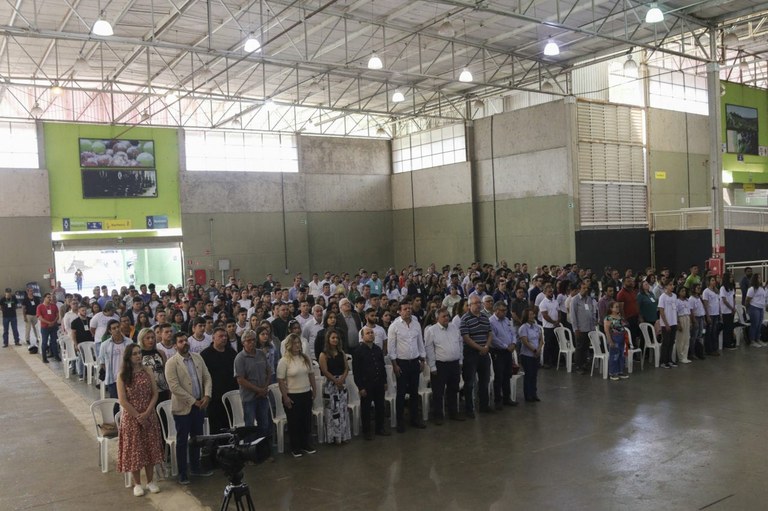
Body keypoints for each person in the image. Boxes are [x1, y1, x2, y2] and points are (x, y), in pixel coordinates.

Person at [164, 331, 214, 484]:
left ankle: (195, 467)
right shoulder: (171, 363)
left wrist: (207, 395)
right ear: (175, 346)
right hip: (183, 408)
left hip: (200, 405)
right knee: (182, 441)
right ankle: (182, 473)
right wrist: (193, 401)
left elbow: (207, 377)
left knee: (197, 439)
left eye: (186, 340)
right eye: (180, 341)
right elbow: (174, 387)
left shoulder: (197, 357)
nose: (185, 343)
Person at [116, 344, 164, 497]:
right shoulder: (123, 375)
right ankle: (137, 483)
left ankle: (150, 481)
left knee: (150, 448)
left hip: (149, 415)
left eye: (139, 353)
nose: (138, 356)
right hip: (131, 418)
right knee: (134, 450)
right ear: (128, 357)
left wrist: (147, 412)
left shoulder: (147, 370)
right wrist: (138, 416)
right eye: (135, 354)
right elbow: (123, 400)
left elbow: (155, 394)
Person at [388, 301, 427, 432]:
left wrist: (422, 360)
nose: (408, 310)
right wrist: (395, 365)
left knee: (414, 392)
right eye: (405, 309)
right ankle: (400, 422)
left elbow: (420, 343)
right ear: (399, 311)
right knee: (401, 393)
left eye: (409, 308)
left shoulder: (416, 324)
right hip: (402, 363)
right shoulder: (394, 326)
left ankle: (414, 418)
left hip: (414, 362)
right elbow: (391, 348)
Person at [276, 335, 317, 458]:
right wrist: (285, 397)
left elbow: (311, 374)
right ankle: (295, 447)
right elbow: (280, 380)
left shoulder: (305, 358)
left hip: (306, 393)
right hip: (292, 395)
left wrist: (314, 389)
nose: (297, 345)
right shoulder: (284, 361)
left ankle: (306, 444)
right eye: (294, 343)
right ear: (289, 345)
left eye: (298, 343)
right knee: (294, 422)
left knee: (306, 420)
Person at [235, 328, 273, 454]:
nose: (251, 342)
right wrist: (258, 390)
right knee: (249, 426)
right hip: (249, 397)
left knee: (264, 424)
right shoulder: (240, 358)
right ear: (243, 343)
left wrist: (265, 388)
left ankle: (263, 451)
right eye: (248, 340)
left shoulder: (261, 354)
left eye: (253, 340)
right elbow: (241, 380)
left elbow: (269, 371)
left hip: (263, 395)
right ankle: (249, 453)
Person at [425, 307, 463, 424]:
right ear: (437, 318)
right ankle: (438, 415)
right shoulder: (431, 330)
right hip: (440, 365)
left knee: (453, 389)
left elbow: (460, 343)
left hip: (454, 363)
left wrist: (460, 360)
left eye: (447, 315)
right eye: (444, 316)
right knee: (438, 392)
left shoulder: (454, 327)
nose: (447, 318)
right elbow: (429, 349)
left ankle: (453, 413)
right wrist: (432, 366)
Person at [353, 326, 390, 439]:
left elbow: (382, 366)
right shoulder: (358, 351)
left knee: (380, 406)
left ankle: (380, 428)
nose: (370, 335)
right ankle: (367, 431)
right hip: (366, 384)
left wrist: (384, 381)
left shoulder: (377, 349)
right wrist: (360, 387)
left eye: (372, 333)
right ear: (362, 336)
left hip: (379, 382)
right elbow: (356, 371)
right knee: (366, 408)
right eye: (368, 333)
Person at [460, 295, 494, 417]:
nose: (478, 305)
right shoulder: (465, 319)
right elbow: (466, 338)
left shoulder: (485, 317)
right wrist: (480, 348)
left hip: (484, 353)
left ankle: (484, 405)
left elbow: (490, 333)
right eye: (475, 303)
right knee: (469, 383)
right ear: (469, 306)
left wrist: (487, 346)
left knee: (484, 381)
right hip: (471, 354)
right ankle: (469, 409)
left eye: (479, 302)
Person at [200, 327, 239, 434]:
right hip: (214, 397)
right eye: (221, 336)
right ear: (213, 338)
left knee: (230, 424)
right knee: (216, 427)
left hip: (230, 395)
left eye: (225, 336)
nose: (224, 338)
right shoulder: (205, 355)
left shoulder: (231, 353)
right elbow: (203, 377)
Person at [318, 330, 352, 444]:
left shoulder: (341, 352)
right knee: (332, 411)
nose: (335, 340)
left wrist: (342, 379)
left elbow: (346, 368)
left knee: (342, 409)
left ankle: (342, 435)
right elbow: (324, 371)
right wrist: (335, 381)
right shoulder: (323, 354)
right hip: (330, 385)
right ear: (328, 339)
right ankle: (333, 437)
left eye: (337, 338)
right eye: (333, 338)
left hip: (342, 383)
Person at [489, 301, 517, 409]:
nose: (504, 312)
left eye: (505, 310)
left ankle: (507, 398)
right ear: (496, 310)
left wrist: (513, 343)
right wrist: (506, 346)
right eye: (502, 310)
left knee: (507, 374)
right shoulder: (491, 322)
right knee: (499, 376)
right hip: (498, 351)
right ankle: (498, 400)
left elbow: (513, 333)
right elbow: (493, 338)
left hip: (508, 351)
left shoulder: (506, 320)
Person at [99, 320, 134, 397]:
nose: (117, 329)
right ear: (110, 331)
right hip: (112, 380)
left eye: (118, 327)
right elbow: (102, 362)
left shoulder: (129, 342)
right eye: (114, 328)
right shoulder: (105, 345)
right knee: (115, 401)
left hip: (127, 378)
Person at [570, 281, 596, 374]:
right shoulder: (575, 300)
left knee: (586, 347)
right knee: (579, 348)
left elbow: (591, 312)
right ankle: (578, 366)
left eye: (586, 288)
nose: (586, 290)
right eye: (583, 288)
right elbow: (573, 315)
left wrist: (593, 327)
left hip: (589, 328)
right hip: (580, 328)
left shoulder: (589, 299)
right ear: (579, 289)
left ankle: (584, 364)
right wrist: (575, 328)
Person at [137, 328, 170, 402]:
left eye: (152, 337)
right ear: (142, 340)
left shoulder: (161, 353)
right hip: (147, 391)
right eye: (148, 338)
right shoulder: (139, 355)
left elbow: (166, 371)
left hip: (162, 389)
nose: (151, 340)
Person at [517, 309, 541, 402]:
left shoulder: (536, 327)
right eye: (530, 314)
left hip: (536, 354)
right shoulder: (523, 328)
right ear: (526, 316)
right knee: (529, 374)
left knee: (534, 375)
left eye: (533, 314)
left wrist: (538, 349)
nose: (533, 316)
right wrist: (534, 350)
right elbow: (525, 341)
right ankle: (528, 394)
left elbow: (541, 339)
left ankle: (534, 393)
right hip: (527, 354)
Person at [603, 301, 629, 380]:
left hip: (622, 337)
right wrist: (610, 341)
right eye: (616, 307)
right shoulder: (608, 318)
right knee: (614, 355)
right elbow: (607, 331)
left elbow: (624, 324)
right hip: (614, 338)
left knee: (621, 355)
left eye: (618, 307)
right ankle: (613, 373)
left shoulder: (619, 316)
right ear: (611, 308)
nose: (618, 308)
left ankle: (620, 371)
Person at [657, 280, 679, 369]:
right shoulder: (662, 297)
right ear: (666, 286)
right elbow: (661, 311)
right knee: (665, 343)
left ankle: (669, 360)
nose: (672, 286)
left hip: (673, 322)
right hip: (666, 324)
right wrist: (666, 324)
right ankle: (663, 361)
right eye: (670, 285)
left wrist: (677, 321)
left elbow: (676, 310)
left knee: (671, 342)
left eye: (673, 285)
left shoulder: (674, 296)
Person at [36, 293, 60, 363]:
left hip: (53, 327)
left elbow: (57, 315)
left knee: (54, 341)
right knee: (44, 342)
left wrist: (53, 322)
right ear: (44, 298)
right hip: (45, 327)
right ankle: (44, 358)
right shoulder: (40, 306)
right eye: (48, 297)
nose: (50, 299)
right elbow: (39, 317)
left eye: (50, 297)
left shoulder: (54, 306)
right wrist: (48, 322)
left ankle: (56, 356)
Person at [745, 274, 767, 347]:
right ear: (755, 279)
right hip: (754, 308)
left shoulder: (761, 288)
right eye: (758, 278)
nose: (760, 279)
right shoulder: (752, 289)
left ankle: (757, 339)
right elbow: (747, 300)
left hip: (761, 308)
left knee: (759, 325)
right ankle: (752, 340)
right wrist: (747, 310)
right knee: (754, 325)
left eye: (760, 277)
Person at [702, 276, 722, 357]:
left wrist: (720, 313)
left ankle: (714, 348)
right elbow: (705, 304)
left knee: (715, 332)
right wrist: (707, 315)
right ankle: (709, 349)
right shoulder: (706, 291)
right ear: (709, 282)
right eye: (712, 280)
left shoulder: (716, 291)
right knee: (709, 333)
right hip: (710, 314)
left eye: (714, 280)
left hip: (716, 314)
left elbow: (718, 303)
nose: (714, 282)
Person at [675, 287, 693, 364]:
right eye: (682, 291)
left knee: (687, 338)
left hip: (687, 317)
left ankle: (685, 356)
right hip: (681, 318)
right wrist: (678, 323)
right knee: (681, 339)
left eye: (685, 291)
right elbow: (676, 312)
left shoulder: (687, 300)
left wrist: (691, 322)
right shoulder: (677, 301)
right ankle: (681, 356)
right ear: (678, 292)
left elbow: (689, 311)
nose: (684, 292)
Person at [720, 272, 737, 350]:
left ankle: (730, 342)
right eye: (730, 277)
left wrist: (734, 307)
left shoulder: (731, 288)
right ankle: (726, 344)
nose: (732, 279)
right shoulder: (723, 288)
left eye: (732, 277)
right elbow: (724, 300)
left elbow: (733, 298)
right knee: (726, 328)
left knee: (730, 327)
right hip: (725, 311)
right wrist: (731, 308)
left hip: (731, 311)